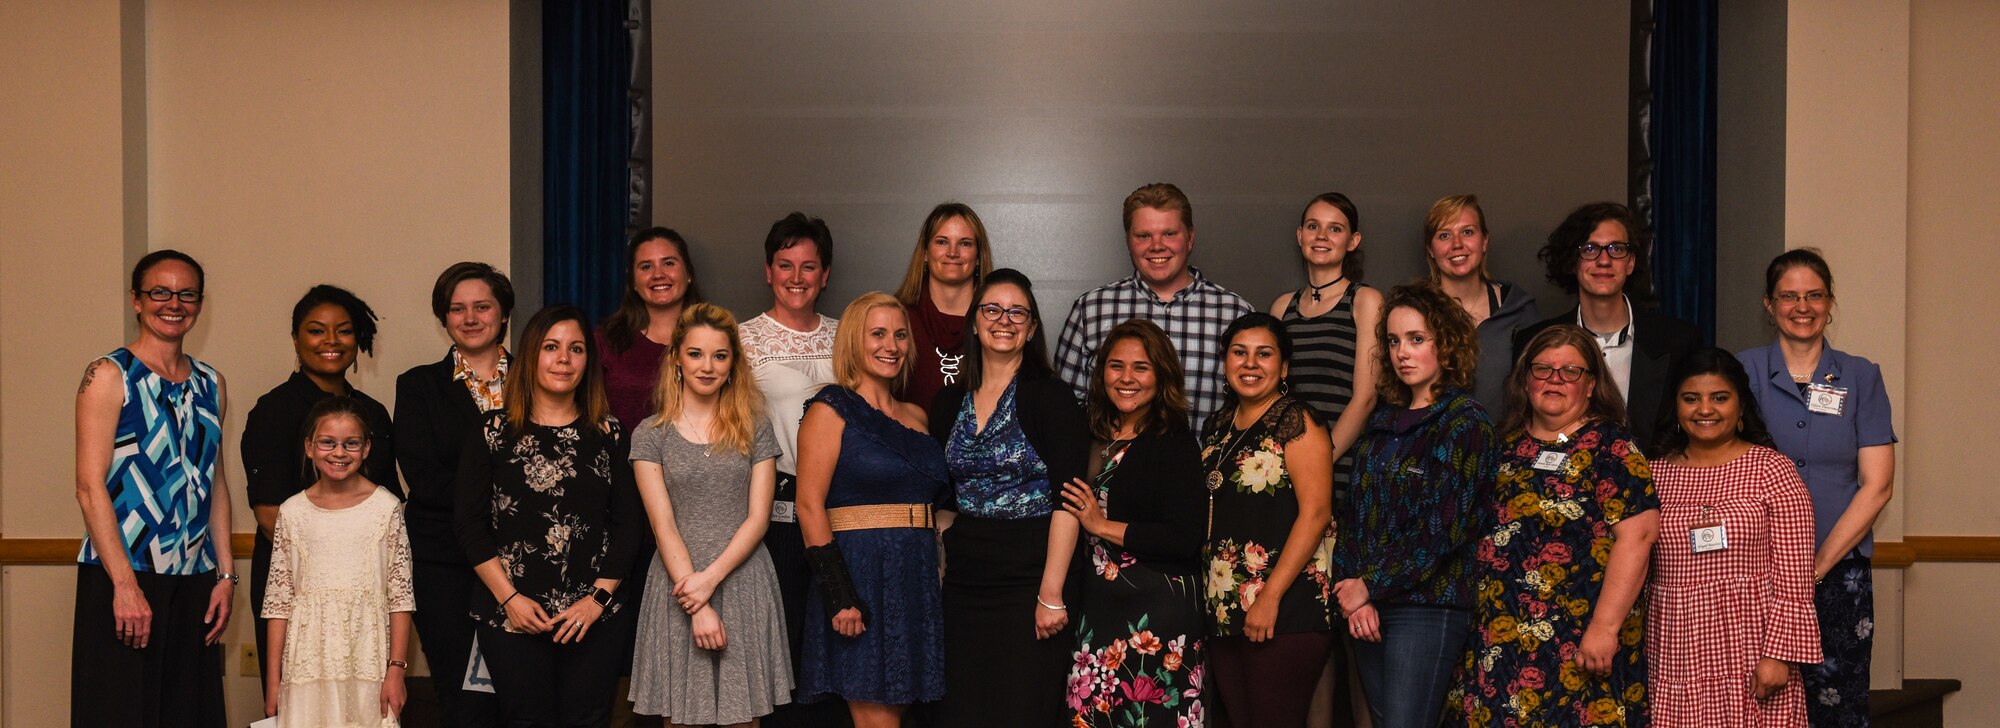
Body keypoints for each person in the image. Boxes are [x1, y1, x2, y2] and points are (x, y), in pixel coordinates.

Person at [1454, 325, 1660, 727]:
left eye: (1570, 372)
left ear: (1591, 385)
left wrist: (1605, 627)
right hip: (1499, 644)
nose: (1555, 380)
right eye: (1543, 369)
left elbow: (1639, 536)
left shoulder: (1612, 447)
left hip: (1582, 645)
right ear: (1525, 379)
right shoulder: (1505, 447)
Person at [72, 250, 237, 728]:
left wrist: (225, 575)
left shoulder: (212, 382)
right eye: (159, 292)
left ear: (200, 304)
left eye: (186, 294)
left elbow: (216, 481)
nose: (174, 303)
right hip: (124, 573)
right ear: (137, 301)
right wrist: (124, 585)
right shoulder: (109, 374)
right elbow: (88, 487)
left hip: (194, 577)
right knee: (121, 712)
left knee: (190, 712)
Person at [455, 305, 642, 727]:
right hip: (512, 615)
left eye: (576, 349)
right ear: (530, 357)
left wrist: (596, 602)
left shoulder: (610, 434)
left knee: (589, 719)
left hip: (595, 616)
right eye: (551, 347)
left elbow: (628, 525)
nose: (563, 358)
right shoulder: (493, 431)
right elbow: (470, 525)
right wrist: (509, 599)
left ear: (587, 362)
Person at [1735, 249, 1895, 727]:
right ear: (1769, 304)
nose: (1801, 306)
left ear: (1830, 302)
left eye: (1814, 295)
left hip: (1839, 575)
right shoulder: (1739, 373)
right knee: (1754, 705)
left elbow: (1878, 485)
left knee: (1837, 706)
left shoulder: (1862, 376)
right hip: (1754, 573)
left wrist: (1816, 566)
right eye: (1788, 296)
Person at [930, 268, 1089, 727]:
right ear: (975, 322)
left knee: (1020, 709)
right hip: (964, 580)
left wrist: (1052, 593)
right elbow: (944, 498)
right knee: (962, 710)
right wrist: (941, 566)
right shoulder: (948, 402)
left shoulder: (1052, 398)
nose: (1005, 320)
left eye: (1018, 311)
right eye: (993, 309)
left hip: (1031, 579)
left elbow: (1069, 500)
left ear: (1033, 327)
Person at [1335, 283, 1495, 728]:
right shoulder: (1382, 421)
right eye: (1393, 341)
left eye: (1416, 339)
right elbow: (1353, 517)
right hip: (1368, 610)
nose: (1402, 352)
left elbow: (1443, 530)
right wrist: (1354, 594)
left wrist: (1370, 584)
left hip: (1428, 608)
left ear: (1445, 343)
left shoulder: (1465, 422)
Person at [627, 303, 795, 725]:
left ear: (733, 364)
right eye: (696, 354)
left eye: (720, 356)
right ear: (676, 359)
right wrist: (696, 602)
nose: (707, 366)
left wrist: (710, 580)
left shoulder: (755, 426)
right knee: (681, 719)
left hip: (743, 581)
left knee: (744, 718)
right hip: (677, 587)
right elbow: (662, 525)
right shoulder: (650, 435)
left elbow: (758, 518)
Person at [795, 292, 952, 727]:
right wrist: (840, 596)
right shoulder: (830, 409)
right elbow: (808, 506)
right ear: (853, 342)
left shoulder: (918, 416)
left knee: (900, 711)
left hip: (915, 575)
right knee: (875, 719)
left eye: (900, 335)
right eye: (878, 333)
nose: (892, 345)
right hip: (861, 574)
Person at [243, 284, 402, 700]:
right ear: (296, 338)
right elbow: (268, 516)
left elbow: (389, 508)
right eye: (316, 331)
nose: (331, 341)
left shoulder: (374, 414)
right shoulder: (273, 411)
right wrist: (334, 577)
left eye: (344, 331)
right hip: (301, 594)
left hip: (368, 596)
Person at [1646, 348, 1821, 727]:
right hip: (1677, 647)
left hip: (1754, 649)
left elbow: (1794, 576)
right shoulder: (1650, 475)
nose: (1704, 409)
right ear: (1675, 407)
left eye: (1719, 398)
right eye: (1691, 398)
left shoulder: (1772, 469)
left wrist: (1780, 655)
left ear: (1741, 407)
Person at [1058, 319, 1209, 728]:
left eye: (1141, 367)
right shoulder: (1092, 434)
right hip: (1098, 610)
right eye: (1116, 365)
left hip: (1156, 617)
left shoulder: (1174, 443)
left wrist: (1100, 524)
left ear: (1161, 376)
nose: (1126, 378)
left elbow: (1184, 536)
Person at [1270, 192, 1383, 727]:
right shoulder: (1280, 307)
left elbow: (1364, 396)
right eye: (1312, 225)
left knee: (1354, 631)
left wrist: (1321, 462)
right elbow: (1271, 398)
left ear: (1352, 242)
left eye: (1335, 228)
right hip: (1290, 483)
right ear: (1299, 235)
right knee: (1311, 630)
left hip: (1344, 478)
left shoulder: (1365, 301)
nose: (1321, 236)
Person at [1197, 313, 1338, 728]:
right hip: (1225, 606)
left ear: (1285, 368)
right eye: (1239, 353)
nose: (1250, 364)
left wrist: (1270, 597)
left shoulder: (1298, 421)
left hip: (1285, 606)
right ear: (1225, 362)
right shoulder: (1217, 426)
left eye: (1264, 354)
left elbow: (1317, 513)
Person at [740, 212, 850, 727]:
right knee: (780, 650)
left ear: (825, 274)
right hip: (774, 513)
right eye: (786, 265)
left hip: (841, 508)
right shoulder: (741, 342)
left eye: (809, 266)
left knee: (837, 646)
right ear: (768, 271)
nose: (797, 277)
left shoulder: (848, 337)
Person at [393, 261, 511, 726]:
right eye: (457, 309)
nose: (470, 317)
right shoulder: (418, 386)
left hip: (526, 562)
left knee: (524, 694)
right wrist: (510, 497)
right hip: (444, 563)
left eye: (482, 306)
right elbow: (423, 478)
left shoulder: (536, 380)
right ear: (443, 318)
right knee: (464, 698)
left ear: (503, 313)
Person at [261, 396, 417, 727]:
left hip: (367, 660)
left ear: (367, 448)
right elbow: (278, 604)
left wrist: (396, 670)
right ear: (309, 447)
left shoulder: (385, 509)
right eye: (327, 443)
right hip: (307, 663)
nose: (339, 453)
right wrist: (274, 682)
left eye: (351, 443)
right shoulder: (292, 512)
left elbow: (400, 598)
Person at [1056, 182, 1256, 428]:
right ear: (1129, 241)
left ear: (1190, 238)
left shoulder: (1235, 314)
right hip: (1115, 465)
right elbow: (1064, 411)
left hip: (1209, 464)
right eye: (1143, 236)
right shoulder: (1091, 311)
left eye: (1169, 234)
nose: (1157, 245)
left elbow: (1255, 407)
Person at [1515, 202, 1700, 447]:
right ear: (1573, 262)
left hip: (1657, 481)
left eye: (1616, 249)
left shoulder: (1678, 341)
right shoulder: (1533, 342)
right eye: (1590, 249)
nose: (1604, 260)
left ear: (1631, 263)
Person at [1423, 194, 1539, 411]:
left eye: (1467, 232)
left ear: (1485, 241)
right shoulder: (1414, 309)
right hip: (1432, 441)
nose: (1457, 244)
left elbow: (1537, 386)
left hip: (1504, 441)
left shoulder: (1518, 307)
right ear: (1430, 248)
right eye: (1444, 235)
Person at [600, 226, 704, 428]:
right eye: (646, 267)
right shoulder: (606, 340)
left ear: (688, 273)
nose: (658, 274)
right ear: (634, 282)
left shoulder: (717, 338)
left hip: (701, 458)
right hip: (622, 458)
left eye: (668, 263)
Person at [894, 202, 994, 410]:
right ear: (925, 253)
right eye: (941, 242)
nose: (952, 252)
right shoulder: (897, 318)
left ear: (978, 257)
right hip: (911, 440)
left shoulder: (996, 321)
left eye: (965, 243)